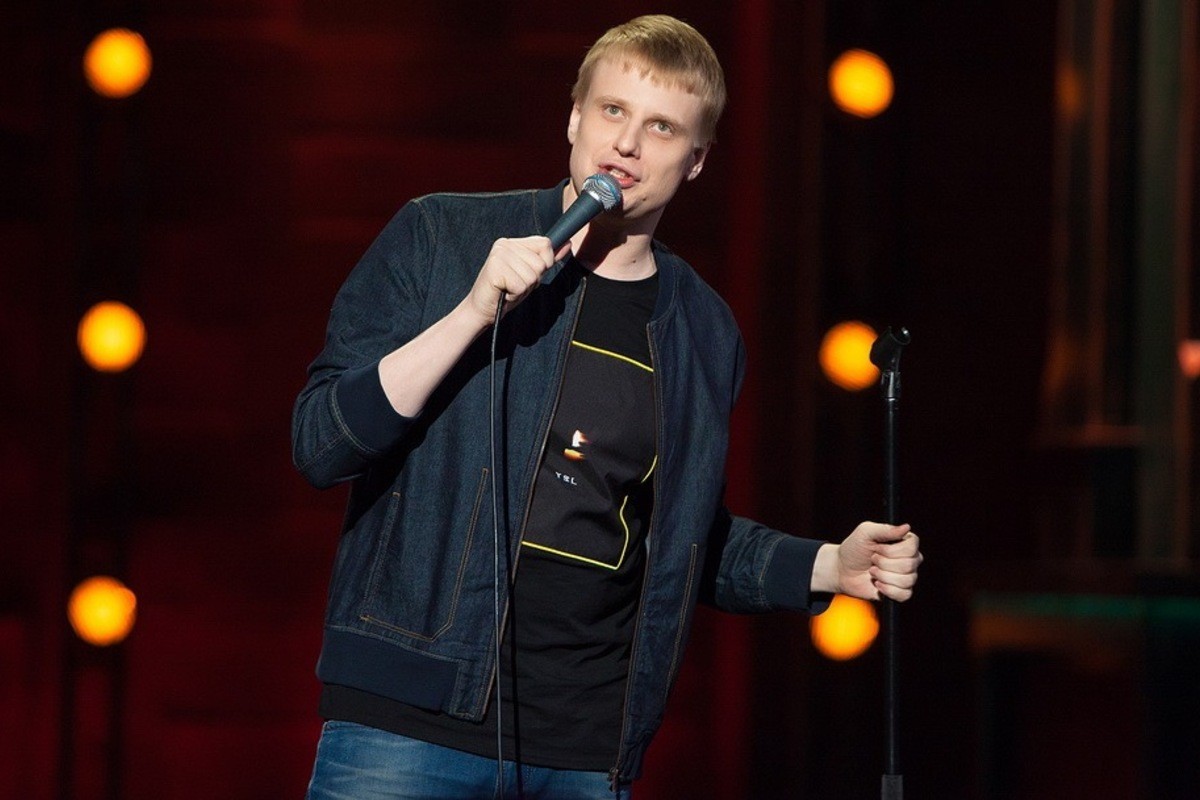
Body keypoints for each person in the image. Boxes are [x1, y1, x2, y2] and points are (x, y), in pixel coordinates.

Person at [293, 14, 922, 800]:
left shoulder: (702, 331)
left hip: (583, 748)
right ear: (573, 119)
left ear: (696, 161)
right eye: (612, 111)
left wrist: (828, 566)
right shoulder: (440, 237)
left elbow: (679, 532)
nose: (626, 144)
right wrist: (470, 314)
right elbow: (322, 442)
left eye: (661, 127)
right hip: (404, 725)